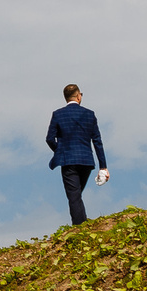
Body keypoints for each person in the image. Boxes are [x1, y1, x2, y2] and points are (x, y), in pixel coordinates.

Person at [45, 83, 108, 225]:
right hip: (86, 160)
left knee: (74, 196)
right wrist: (103, 167)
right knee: (76, 195)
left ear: (66, 98)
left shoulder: (58, 114)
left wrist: (60, 151)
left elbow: (49, 139)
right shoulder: (89, 114)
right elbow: (97, 141)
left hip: (68, 161)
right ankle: (82, 224)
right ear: (79, 96)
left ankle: (80, 227)